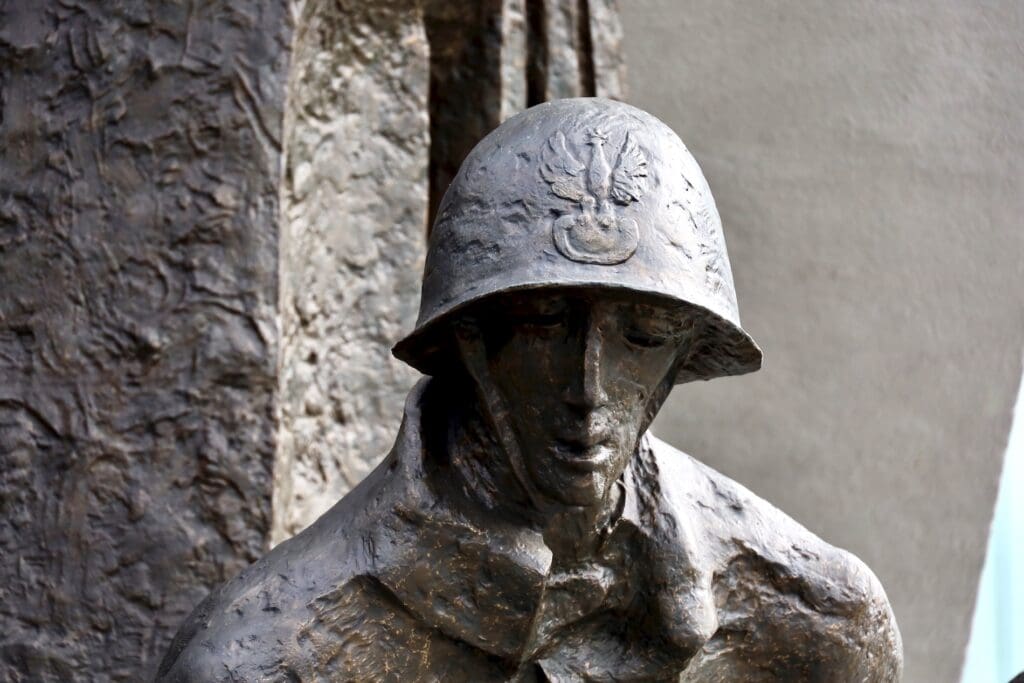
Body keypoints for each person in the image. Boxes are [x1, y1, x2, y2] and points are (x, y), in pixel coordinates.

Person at [157, 98, 902, 682]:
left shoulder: (816, 621)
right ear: (473, 340)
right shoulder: (267, 659)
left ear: (684, 357)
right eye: (546, 324)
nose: (589, 387)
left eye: (641, 336)